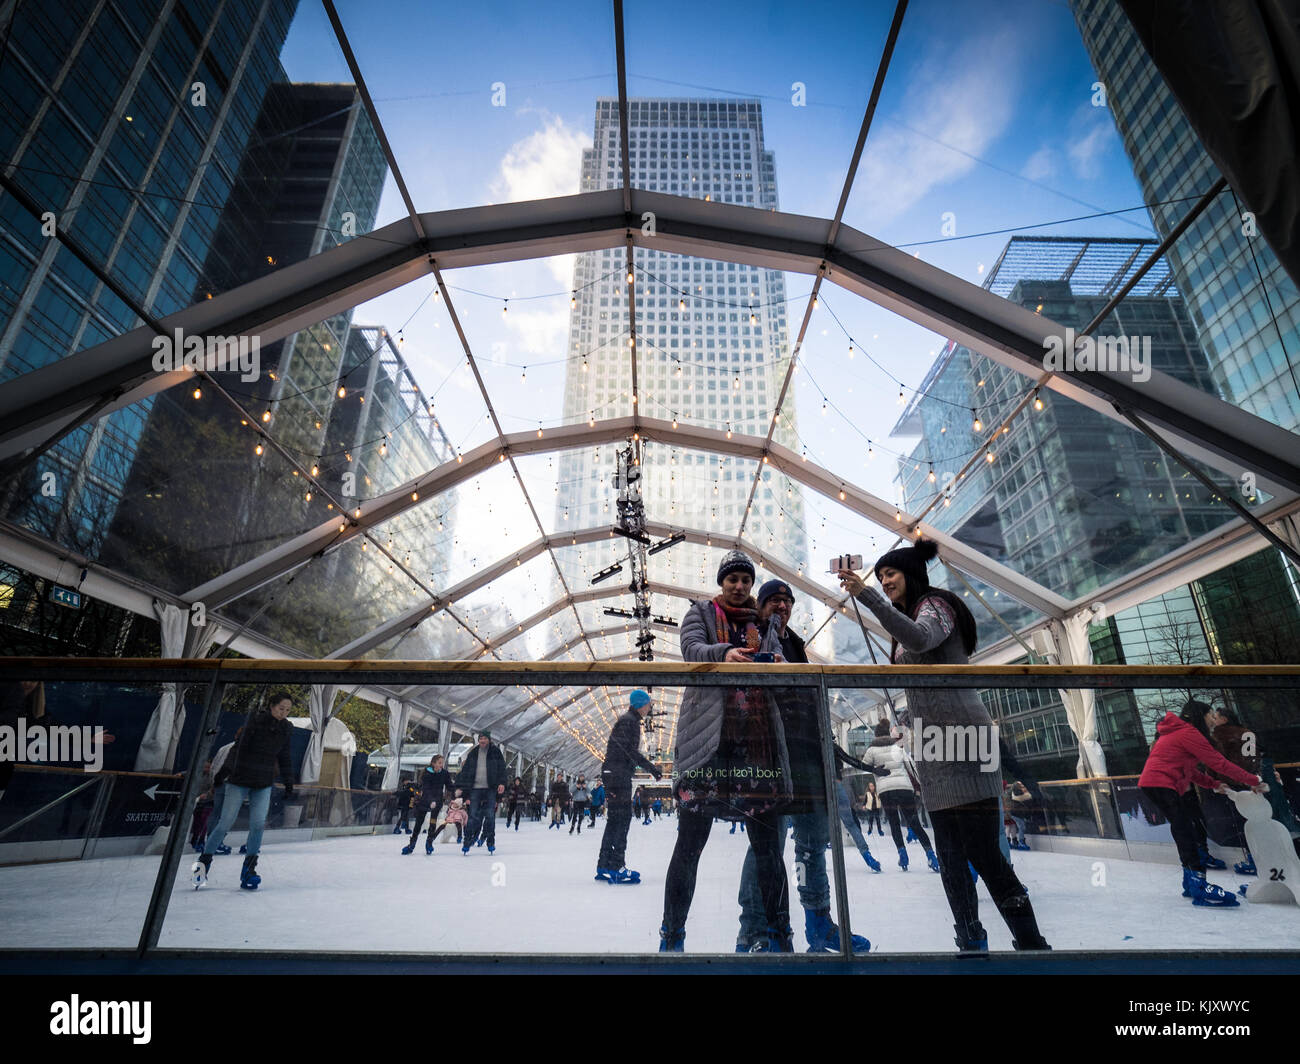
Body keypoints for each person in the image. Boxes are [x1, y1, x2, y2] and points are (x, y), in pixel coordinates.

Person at [841, 540, 1050, 952]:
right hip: (935, 745)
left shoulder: (937, 606)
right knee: (951, 858)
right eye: (880, 577)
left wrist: (864, 596)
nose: (884, 582)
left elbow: (921, 640)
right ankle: (970, 940)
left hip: (965, 739)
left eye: (890, 574)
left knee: (985, 853)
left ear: (912, 575)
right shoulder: (910, 616)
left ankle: (1031, 943)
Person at [661, 550, 792, 953]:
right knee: (690, 843)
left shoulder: (764, 623)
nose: (739, 586)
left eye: (745, 580)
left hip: (757, 748)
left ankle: (779, 935)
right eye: (732, 579)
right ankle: (672, 934)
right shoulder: (700, 613)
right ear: (721, 582)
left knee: (768, 848)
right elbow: (691, 651)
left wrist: (776, 661)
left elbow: (782, 672)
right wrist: (725, 655)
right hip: (708, 747)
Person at [735, 579, 872, 953]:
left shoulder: (794, 642)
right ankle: (755, 928)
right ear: (760, 606)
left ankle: (818, 921)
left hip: (807, 755)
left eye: (787, 601)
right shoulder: (751, 637)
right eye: (774, 601)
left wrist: (827, 752)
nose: (781, 606)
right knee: (766, 847)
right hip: (770, 759)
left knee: (813, 843)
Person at [1138, 699, 1264, 906]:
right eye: (1210, 715)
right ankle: (1198, 882)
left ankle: (1190, 881)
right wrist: (1253, 780)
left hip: (1155, 783)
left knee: (1183, 828)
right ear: (1201, 715)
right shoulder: (1188, 732)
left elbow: (1189, 770)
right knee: (1185, 829)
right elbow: (1218, 763)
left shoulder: (1177, 733)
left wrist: (1213, 784)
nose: (1213, 719)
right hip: (1161, 783)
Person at [193, 691, 297, 891]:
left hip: (263, 782)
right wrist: (223, 772)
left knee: (258, 825)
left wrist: (289, 781)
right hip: (239, 780)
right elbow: (237, 749)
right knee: (224, 823)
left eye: (288, 710)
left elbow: (285, 756)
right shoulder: (256, 722)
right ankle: (202, 866)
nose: (284, 713)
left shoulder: (286, 729)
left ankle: (249, 870)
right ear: (271, 706)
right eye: (281, 708)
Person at [596, 689, 663, 883]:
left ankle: (604, 864)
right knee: (622, 820)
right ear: (641, 704)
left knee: (614, 821)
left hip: (613, 774)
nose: (650, 707)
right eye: (649, 704)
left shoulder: (627, 720)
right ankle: (617, 866)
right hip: (618, 776)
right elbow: (630, 752)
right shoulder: (630, 722)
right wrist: (653, 769)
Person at [861, 719, 939, 872]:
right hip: (904, 788)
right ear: (888, 733)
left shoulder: (871, 750)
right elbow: (910, 765)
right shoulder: (898, 746)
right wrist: (920, 784)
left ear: (876, 735)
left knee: (894, 823)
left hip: (885, 790)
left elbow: (864, 766)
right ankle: (930, 853)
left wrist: (876, 769)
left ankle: (902, 853)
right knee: (914, 821)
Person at [455, 731, 506, 855]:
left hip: (490, 788)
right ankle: (467, 842)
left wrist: (502, 783)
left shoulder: (495, 752)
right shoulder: (473, 753)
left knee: (490, 816)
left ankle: (491, 842)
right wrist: (462, 789)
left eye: (484, 738)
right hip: (475, 789)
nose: (482, 741)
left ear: (489, 739)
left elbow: (502, 769)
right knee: (472, 816)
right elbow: (465, 771)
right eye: (480, 738)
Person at [404, 755, 453, 855]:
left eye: (442, 763)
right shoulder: (427, 773)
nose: (441, 765)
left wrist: (457, 792)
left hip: (438, 801)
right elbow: (426, 789)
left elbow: (450, 786)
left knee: (433, 822)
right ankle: (412, 844)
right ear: (433, 763)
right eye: (439, 763)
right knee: (419, 823)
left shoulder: (444, 773)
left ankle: (429, 843)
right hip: (425, 800)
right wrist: (431, 801)